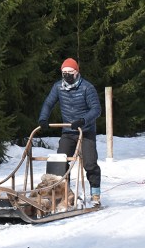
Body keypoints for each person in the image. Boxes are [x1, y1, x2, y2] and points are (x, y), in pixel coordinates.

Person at [38, 58, 103, 205]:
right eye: (64, 72)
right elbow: (48, 103)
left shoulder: (87, 88)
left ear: (77, 72)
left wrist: (83, 120)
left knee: (90, 163)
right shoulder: (58, 87)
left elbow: (96, 110)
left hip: (85, 131)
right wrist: (43, 119)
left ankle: (95, 195)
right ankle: (64, 194)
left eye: (70, 72)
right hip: (68, 131)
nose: (67, 75)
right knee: (60, 162)